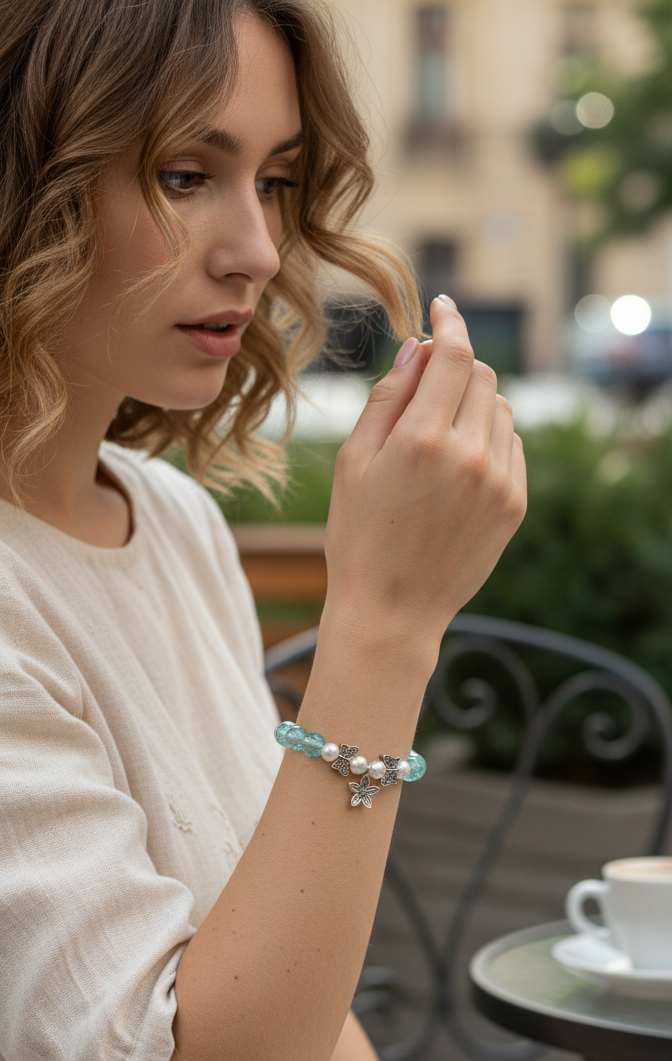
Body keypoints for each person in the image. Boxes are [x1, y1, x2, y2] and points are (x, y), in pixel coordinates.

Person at [0, 0, 527, 1059]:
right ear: (26, 186)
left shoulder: (178, 522)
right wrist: (385, 621)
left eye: (276, 181)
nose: (255, 249)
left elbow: (286, 978)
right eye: (186, 175)